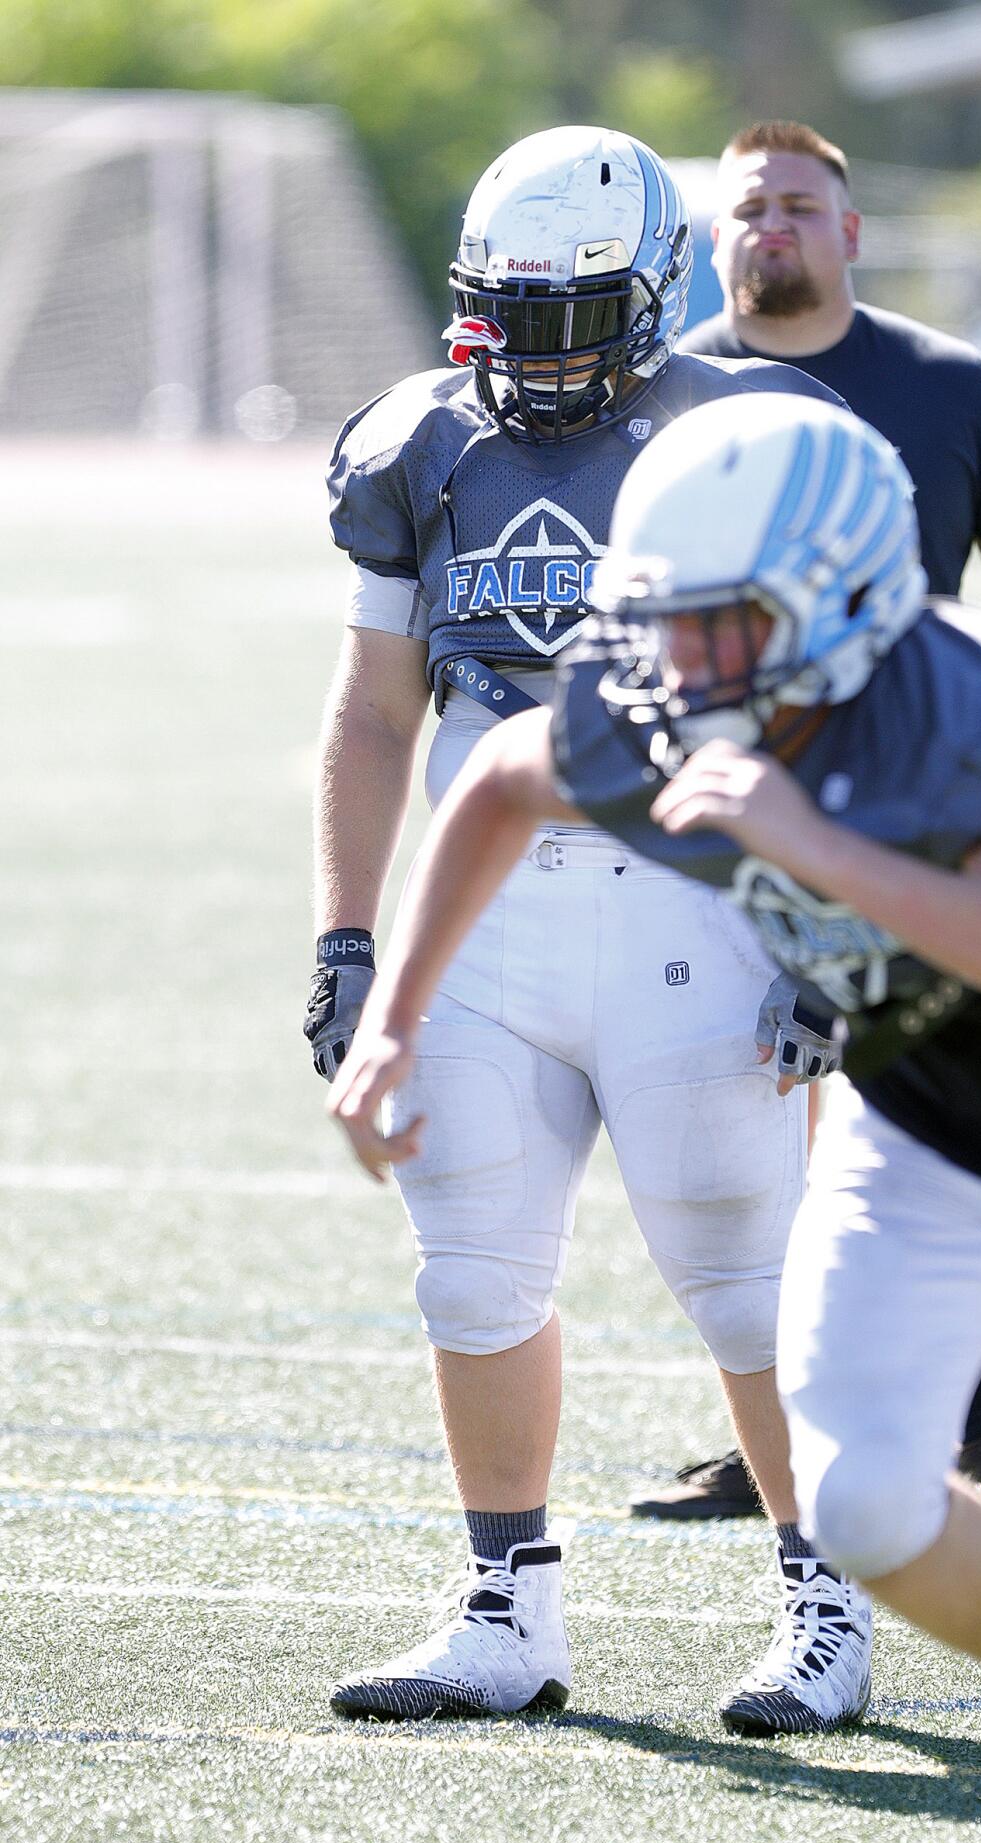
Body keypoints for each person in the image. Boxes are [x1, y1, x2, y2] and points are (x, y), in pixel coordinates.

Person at [329, 392, 981, 1843]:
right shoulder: (667, 682)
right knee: (862, 1500)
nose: (679, 662)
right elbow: (494, 775)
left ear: (847, 594)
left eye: (722, 623)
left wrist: (815, 845)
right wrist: (399, 1014)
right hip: (923, 1112)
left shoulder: (976, 699)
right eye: (666, 619)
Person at [305, 123, 873, 1734]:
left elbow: (844, 694)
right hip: (480, 913)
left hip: (700, 900)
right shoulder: (413, 442)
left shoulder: (753, 429)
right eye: (512, 313)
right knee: (470, 1270)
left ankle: (825, 1604)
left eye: (576, 315)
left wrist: (826, 918)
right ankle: (508, 1607)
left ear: (654, 293)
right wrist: (352, 943)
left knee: (748, 1280)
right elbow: (369, 714)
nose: (539, 354)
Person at [634, 116, 981, 1527]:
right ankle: (765, 1433)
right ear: (714, 239)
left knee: (930, 1108)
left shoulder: (949, 386)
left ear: (851, 232)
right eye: (745, 209)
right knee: (740, 1113)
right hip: (703, 801)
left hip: (905, 801)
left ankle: (976, 1429)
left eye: (797, 203)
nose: (768, 224)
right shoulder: (658, 389)